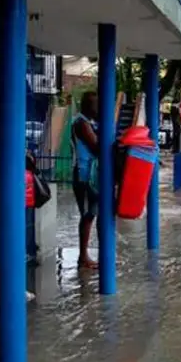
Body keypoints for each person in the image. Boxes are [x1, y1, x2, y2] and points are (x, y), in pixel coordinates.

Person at [71, 91, 99, 269]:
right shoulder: (82, 123)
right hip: (84, 174)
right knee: (88, 214)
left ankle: (85, 255)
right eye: (96, 105)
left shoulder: (88, 122)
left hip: (89, 174)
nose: (98, 108)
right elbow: (96, 146)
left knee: (91, 214)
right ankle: (83, 256)